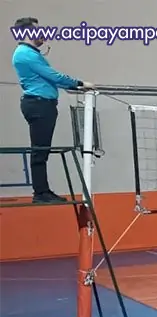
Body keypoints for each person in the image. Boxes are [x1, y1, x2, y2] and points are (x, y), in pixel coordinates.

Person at [12, 17, 94, 203]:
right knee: (40, 149)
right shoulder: (26, 54)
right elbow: (53, 76)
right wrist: (80, 83)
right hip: (39, 104)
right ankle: (41, 193)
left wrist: (73, 86)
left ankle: (42, 191)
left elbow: (49, 78)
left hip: (41, 104)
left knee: (42, 149)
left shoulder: (29, 53)